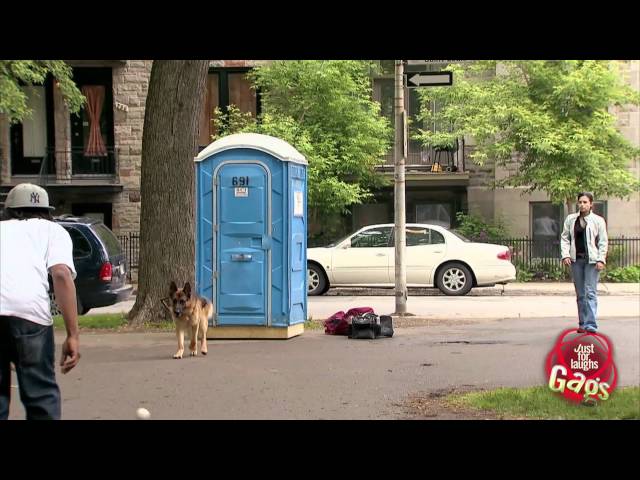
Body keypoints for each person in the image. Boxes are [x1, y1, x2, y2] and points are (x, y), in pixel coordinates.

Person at [0, 183, 80, 420]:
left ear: (9, 210)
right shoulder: (53, 231)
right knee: (41, 397)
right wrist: (73, 335)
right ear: (46, 211)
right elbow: (61, 274)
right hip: (30, 316)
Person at [560, 192, 608, 334]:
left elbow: (603, 241)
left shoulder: (598, 220)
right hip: (576, 261)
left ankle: (591, 325)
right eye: (580, 202)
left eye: (585, 202)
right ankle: (582, 323)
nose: (582, 205)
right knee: (580, 294)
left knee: (590, 293)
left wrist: (601, 259)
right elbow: (565, 238)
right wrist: (565, 255)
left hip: (592, 261)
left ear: (591, 204)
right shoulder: (571, 219)